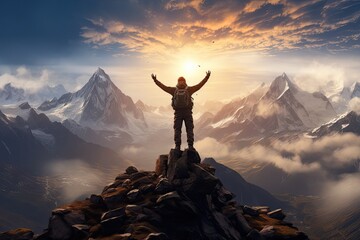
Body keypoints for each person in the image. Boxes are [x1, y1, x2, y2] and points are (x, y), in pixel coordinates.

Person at [151, 71, 211, 150]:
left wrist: (155, 80)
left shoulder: (173, 90)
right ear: (185, 82)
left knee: (177, 129)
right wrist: (207, 77)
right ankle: (190, 146)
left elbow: (163, 87)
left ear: (177, 82)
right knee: (189, 129)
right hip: (188, 113)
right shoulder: (189, 89)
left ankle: (177, 146)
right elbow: (200, 85)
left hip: (178, 113)